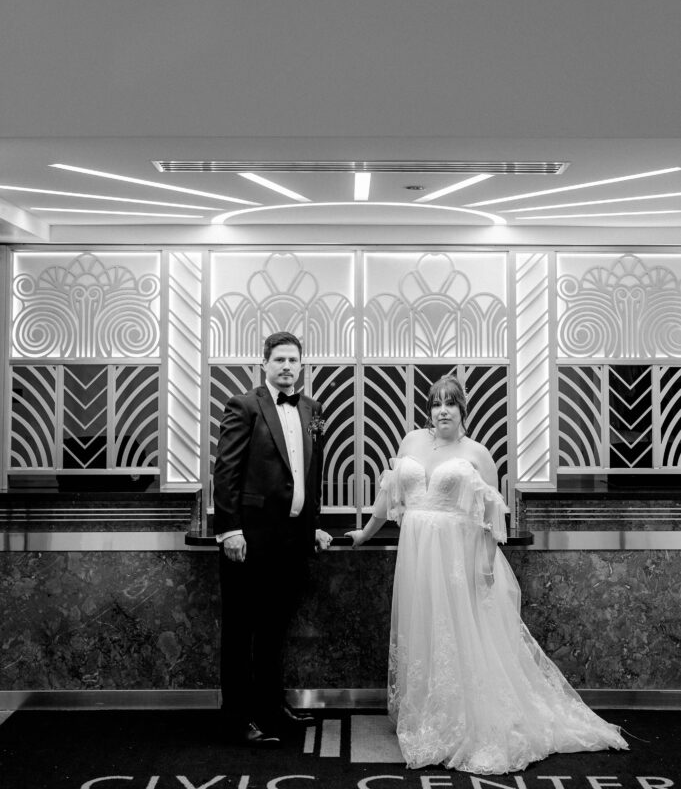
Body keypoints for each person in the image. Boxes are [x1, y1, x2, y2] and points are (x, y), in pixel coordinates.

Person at [346, 375, 628, 774]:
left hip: (457, 557)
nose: (443, 410)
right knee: (425, 629)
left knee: (459, 634)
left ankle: (464, 719)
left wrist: (482, 567)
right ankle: (428, 712)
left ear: (463, 410)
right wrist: (364, 532)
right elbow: (388, 497)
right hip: (417, 556)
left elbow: (491, 519)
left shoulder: (477, 454)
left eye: (451, 404)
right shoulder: (410, 443)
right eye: (436, 404)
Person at [214, 330, 332, 747]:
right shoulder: (244, 405)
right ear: (264, 363)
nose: (286, 367)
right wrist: (229, 529)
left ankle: (269, 707)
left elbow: (312, 471)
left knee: (274, 629)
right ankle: (236, 718)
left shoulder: (313, 409)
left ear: (301, 366)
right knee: (240, 631)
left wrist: (313, 523)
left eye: (293, 361)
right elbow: (225, 470)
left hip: (293, 540)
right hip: (249, 539)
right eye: (279, 360)